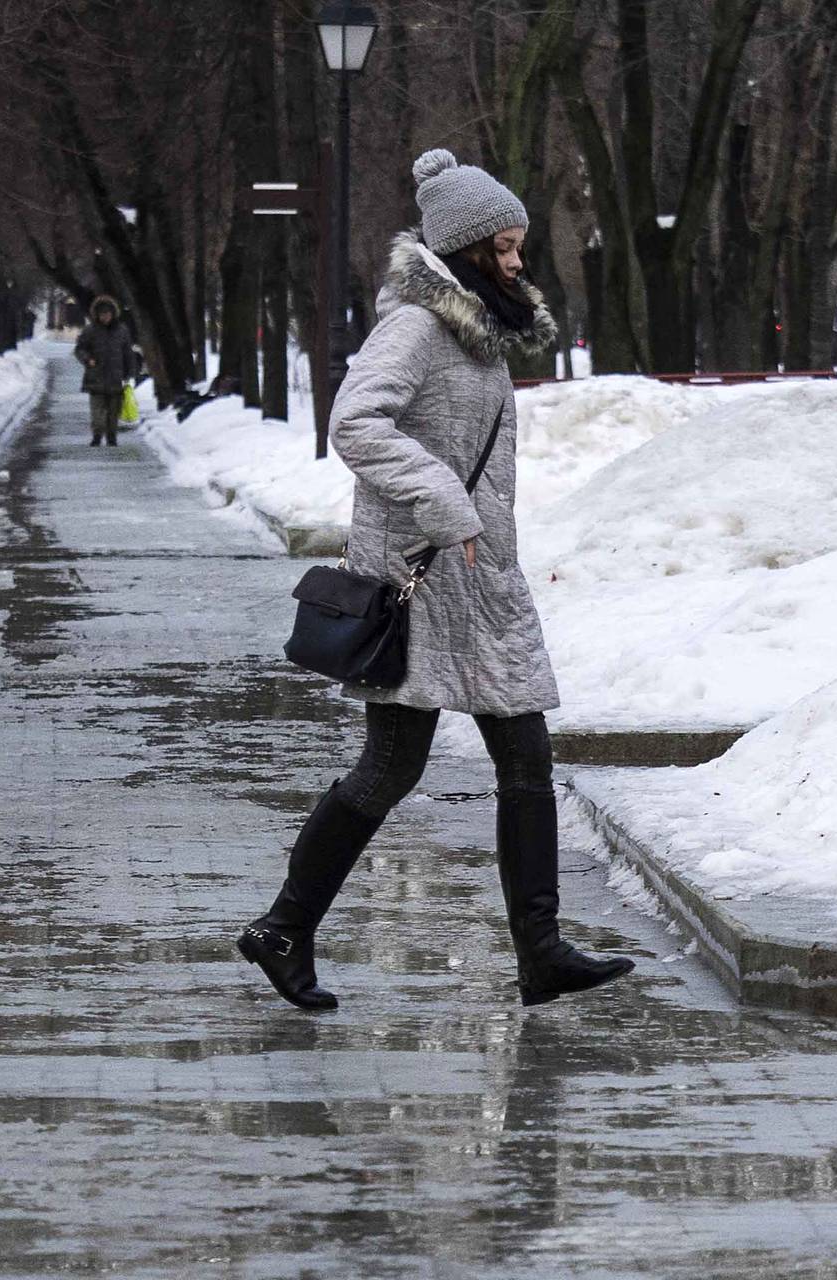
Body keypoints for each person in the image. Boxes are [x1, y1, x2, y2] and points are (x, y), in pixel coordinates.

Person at [237, 148, 635, 1012]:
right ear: (462, 252)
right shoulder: (416, 327)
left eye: (519, 244)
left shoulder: (475, 330)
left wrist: (473, 527)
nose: (518, 260)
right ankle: (283, 928)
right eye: (504, 245)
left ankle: (541, 951)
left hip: (479, 580)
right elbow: (354, 423)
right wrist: (446, 501)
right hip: (421, 578)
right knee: (389, 770)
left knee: (525, 759)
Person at [73, 295, 137, 446]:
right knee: (97, 412)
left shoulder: (122, 331)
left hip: (116, 378)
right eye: (102, 314)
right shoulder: (90, 331)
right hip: (96, 377)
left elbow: (128, 353)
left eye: (108, 314)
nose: (105, 317)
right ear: (97, 314)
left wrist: (130, 373)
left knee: (113, 412)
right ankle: (97, 435)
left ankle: (111, 437)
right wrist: (88, 359)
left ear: (113, 314)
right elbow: (80, 349)